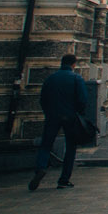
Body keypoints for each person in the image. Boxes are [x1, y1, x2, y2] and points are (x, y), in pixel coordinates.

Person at [31, 53, 88, 191]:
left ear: (61, 63)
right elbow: (83, 99)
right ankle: (64, 180)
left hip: (52, 116)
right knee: (70, 147)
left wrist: (49, 112)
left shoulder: (51, 79)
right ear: (73, 64)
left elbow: (43, 99)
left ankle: (41, 167)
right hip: (70, 117)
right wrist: (79, 113)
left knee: (46, 144)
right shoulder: (76, 78)